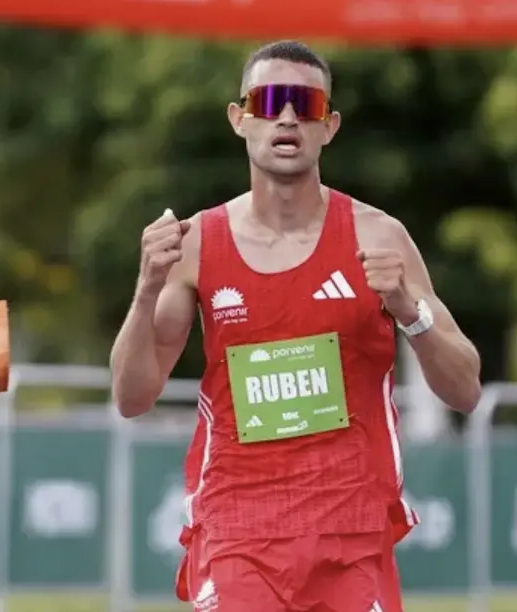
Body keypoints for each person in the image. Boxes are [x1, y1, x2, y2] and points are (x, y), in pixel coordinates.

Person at [110, 40, 481, 612]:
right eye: (270, 100)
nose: (287, 117)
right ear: (240, 119)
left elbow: (464, 388)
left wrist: (410, 310)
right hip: (239, 529)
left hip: (351, 531)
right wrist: (145, 289)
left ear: (328, 126)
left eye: (305, 105)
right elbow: (132, 397)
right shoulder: (197, 245)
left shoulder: (378, 236)